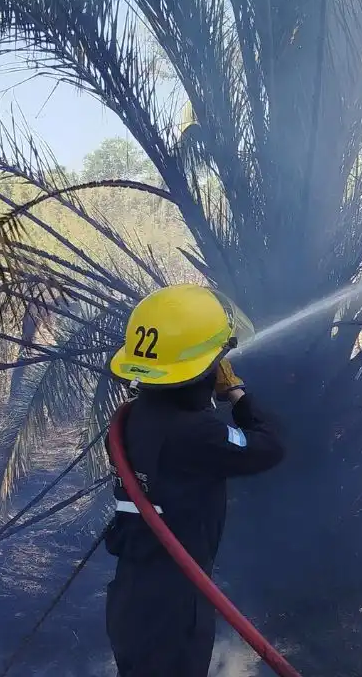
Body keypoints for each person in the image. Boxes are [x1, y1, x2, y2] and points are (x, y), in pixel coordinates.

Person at [103, 284, 284, 677]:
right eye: (219, 357)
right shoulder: (196, 434)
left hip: (130, 598)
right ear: (204, 368)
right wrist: (236, 393)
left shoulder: (130, 419)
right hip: (173, 608)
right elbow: (269, 446)